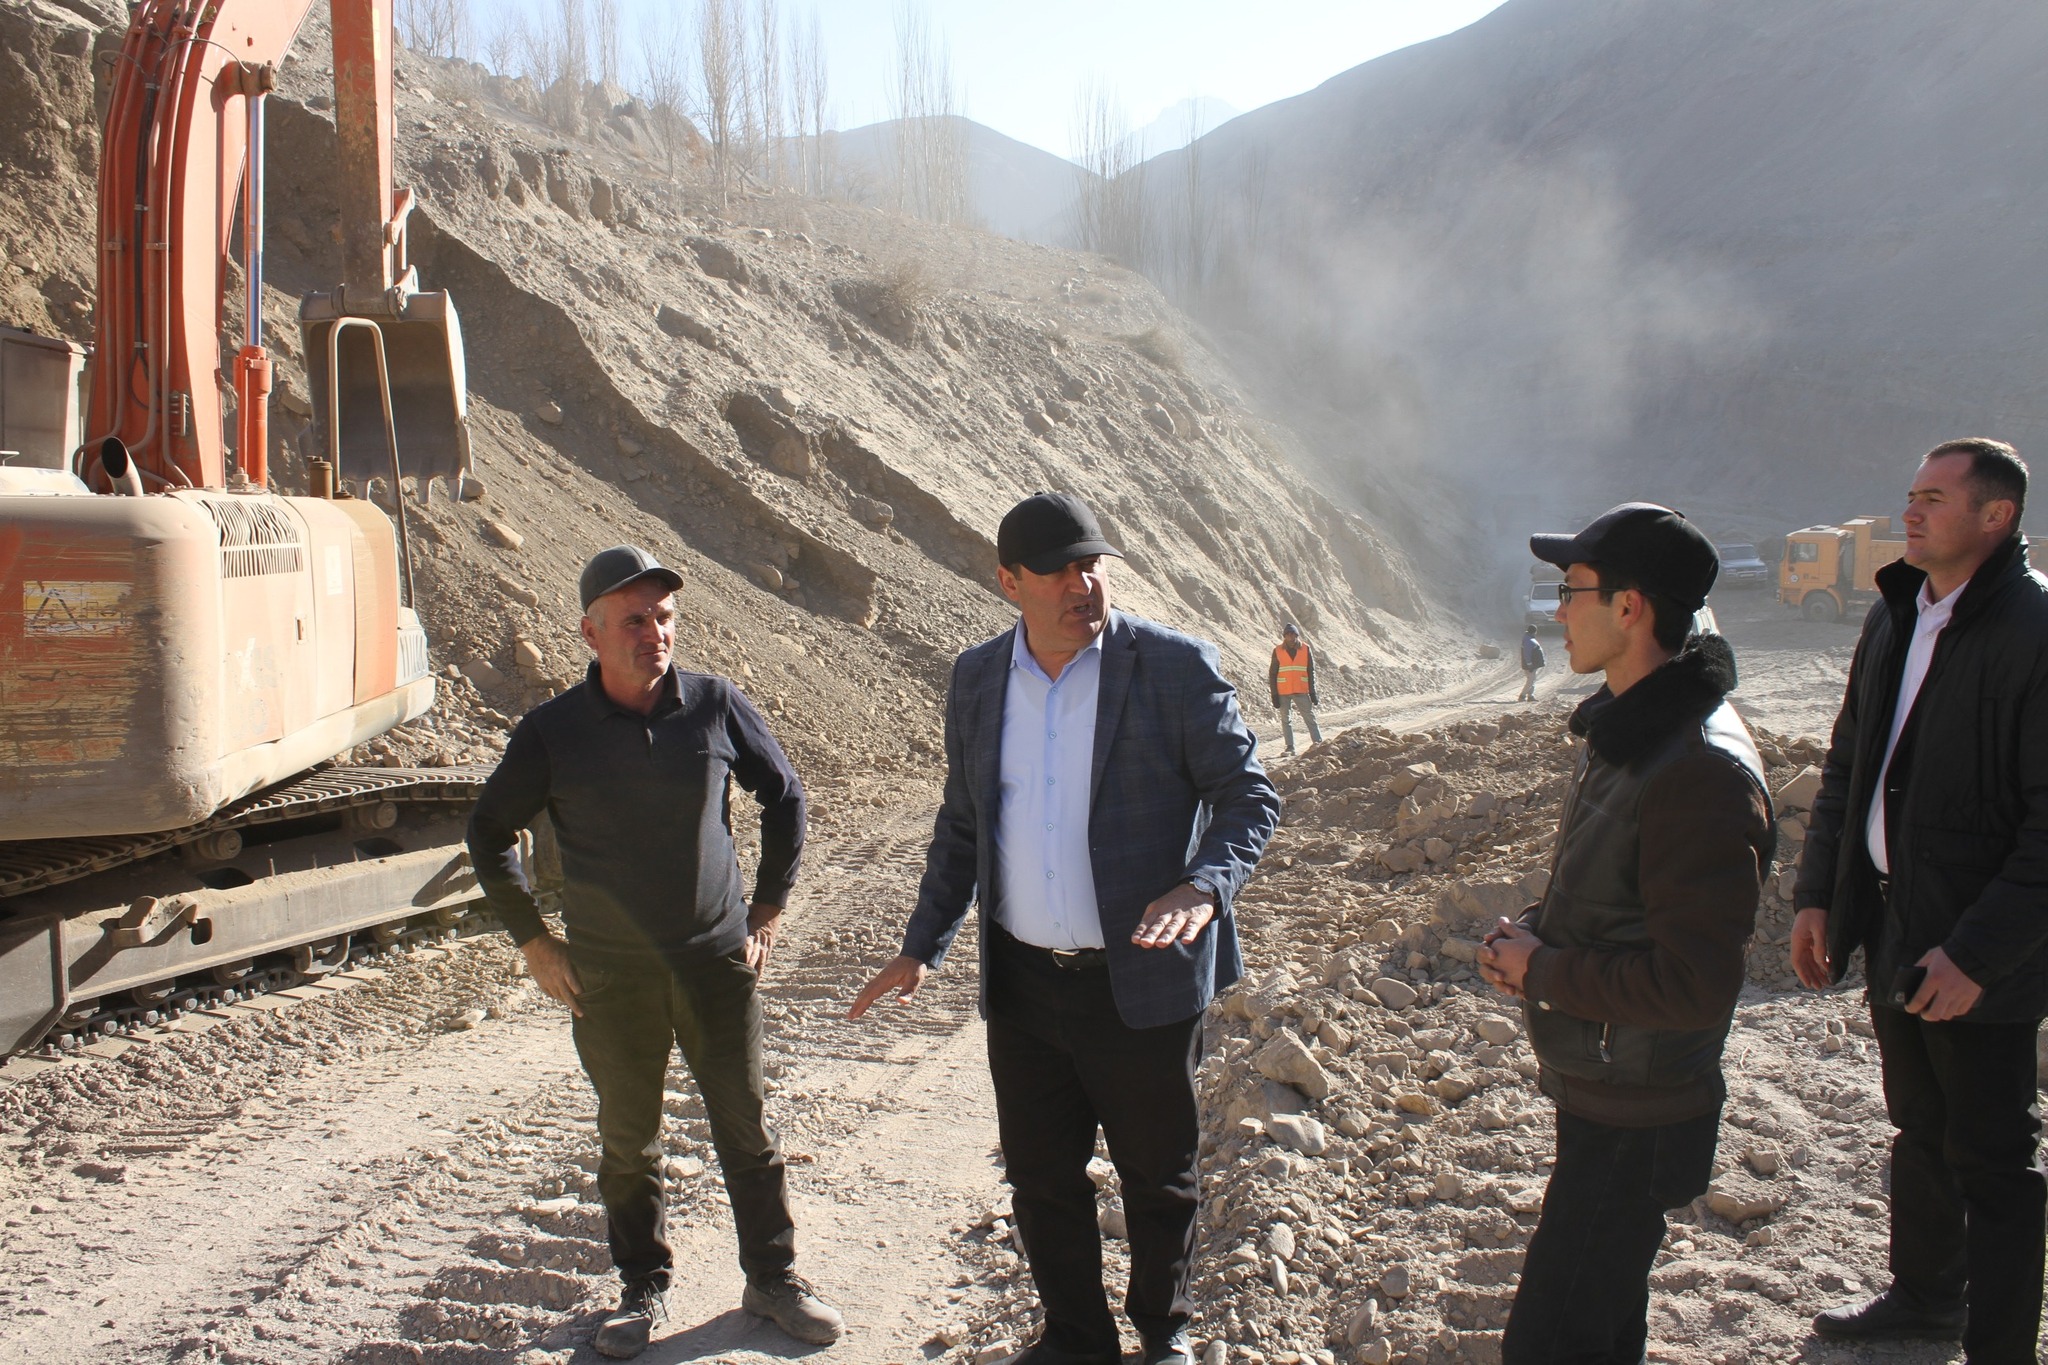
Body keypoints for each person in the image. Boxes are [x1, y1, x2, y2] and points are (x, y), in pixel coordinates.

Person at [850, 492, 1280, 1365]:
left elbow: (1248, 796)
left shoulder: (1173, 666)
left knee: (1158, 1176)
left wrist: (1203, 884)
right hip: (1024, 986)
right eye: (1059, 571)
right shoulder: (977, 678)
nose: (1084, 585)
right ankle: (1077, 1339)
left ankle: (1164, 1332)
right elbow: (964, 824)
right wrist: (921, 944)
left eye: (1092, 565)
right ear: (1009, 581)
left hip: (1142, 977)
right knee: (1042, 1178)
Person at [467, 545, 843, 1360]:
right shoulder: (552, 732)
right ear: (591, 632)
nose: (655, 632)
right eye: (634, 619)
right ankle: (642, 1286)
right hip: (610, 978)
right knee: (628, 1141)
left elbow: (785, 796)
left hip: (716, 965)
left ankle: (772, 1277)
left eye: (664, 616)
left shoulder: (714, 705)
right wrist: (534, 940)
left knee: (745, 1128)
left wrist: (766, 911)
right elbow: (489, 832)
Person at [1478, 504, 1773, 1365]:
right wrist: (1538, 939)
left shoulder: (1696, 767)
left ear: (1631, 606)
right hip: (1613, 1085)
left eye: (1571, 591)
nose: (1557, 611)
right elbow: (1625, 896)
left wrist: (1546, 970)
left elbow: (1694, 983)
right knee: (1600, 1322)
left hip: (1640, 1104)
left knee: (1554, 1338)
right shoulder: (1635, 727)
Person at [1791, 439, 2048, 1364]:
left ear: (1996, 516)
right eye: (1911, 494)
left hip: (1983, 952)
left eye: (1934, 498)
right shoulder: (1895, 611)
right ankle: (1928, 1298)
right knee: (1922, 1128)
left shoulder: (2034, 628)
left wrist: (1976, 955)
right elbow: (1849, 765)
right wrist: (1819, 894)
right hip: (1897, 922)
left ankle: (2002, 1347)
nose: (1910, 511)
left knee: (1995, 1157)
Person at [1268, 623, 1322, 755]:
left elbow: (1310, 671)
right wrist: (1274, 695)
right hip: (1283, 691)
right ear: (1284, 636)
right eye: (1288, 634)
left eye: (1293, 634)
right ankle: (1290, 747)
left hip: (1301, 690)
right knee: (1286, 720)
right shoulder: (1278, 650)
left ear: (1297, 635)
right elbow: (1273, 673)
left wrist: (1312, 692)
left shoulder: (1306, 649)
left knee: (1309, 717)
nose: (1291, 637)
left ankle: (1318, 743)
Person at [1518, 626, 1546, 702]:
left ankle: (1530, 696)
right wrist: (1529, 664)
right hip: (1530, 665)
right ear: (1534, 632)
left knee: (1532, 680)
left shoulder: (1528, 639)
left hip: (1532, 664)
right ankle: (1522, 695)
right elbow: (1527, 654)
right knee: (1530, 681)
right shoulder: (1528, 640)